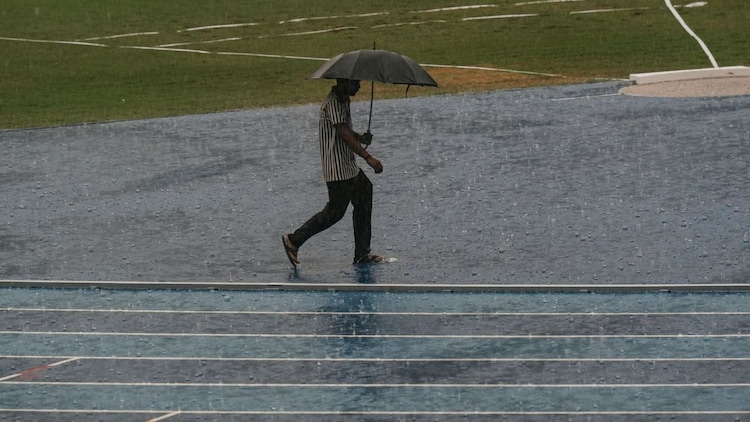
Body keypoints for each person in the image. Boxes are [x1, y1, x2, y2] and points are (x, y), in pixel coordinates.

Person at [282, 78, 387, 267]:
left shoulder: (344, 100)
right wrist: (368, 157)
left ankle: (362, 253)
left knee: (364, 193)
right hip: (337, 170)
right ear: (343, 81)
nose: (359, 86)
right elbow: (343, 133)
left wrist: (360, 137)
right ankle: (294, 240)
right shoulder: (332, 104)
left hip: (348, 167)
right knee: (334, 212)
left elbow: (345, 130)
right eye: (355, 83)